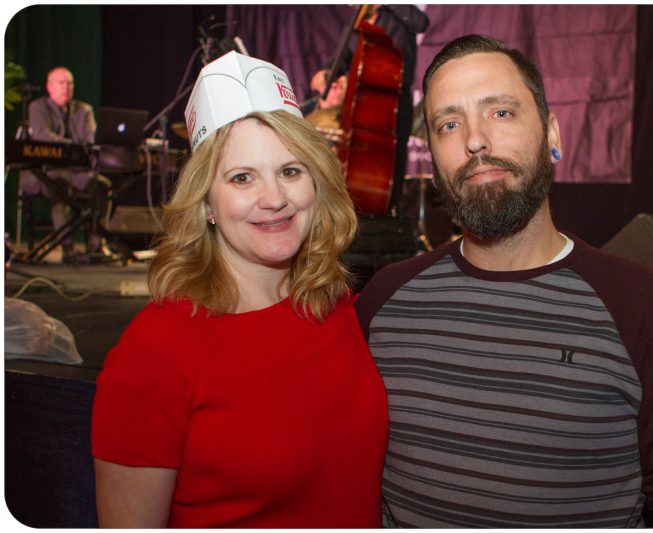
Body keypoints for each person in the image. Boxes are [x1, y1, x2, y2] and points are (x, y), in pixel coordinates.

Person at [355, 35, 653, 527]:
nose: (474, 141)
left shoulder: (641, 304)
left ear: (552, 133)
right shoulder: (385, 299)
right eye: (449, 124)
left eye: (501, 112)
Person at [91, 53, 388, 528]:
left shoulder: (337, 305)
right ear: (207, 203)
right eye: (242, 177)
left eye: (290, 171)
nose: (274, 199)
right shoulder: (153, 355)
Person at [308, 4, 429, 211]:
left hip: (395, 97)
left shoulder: (396, 16)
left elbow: (421, 23)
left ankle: (391, 210)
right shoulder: (357, 22)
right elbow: (340, 59)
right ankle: (357, 207)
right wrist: (326, 73)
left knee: (392, 157)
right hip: (363, 101)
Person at [20, 66, 110, 260]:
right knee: (59, 188)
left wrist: (76, 148)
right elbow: (42, 136)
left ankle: (96, 245)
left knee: (103, 186)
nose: (66, 87)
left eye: (70, 83)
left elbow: (90, 141)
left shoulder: (84, 110)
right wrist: (73, 146)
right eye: (61, 83)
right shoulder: (37, 107)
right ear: (49, 87)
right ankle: (67, 248)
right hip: (48, 170)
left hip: (77, 171)